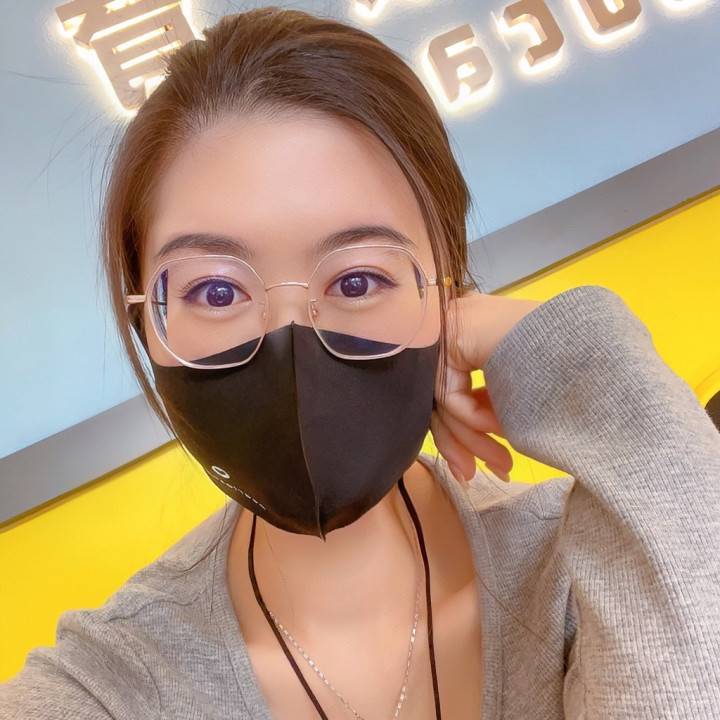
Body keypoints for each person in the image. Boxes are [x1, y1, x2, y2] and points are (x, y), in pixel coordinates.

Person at [2, 7, 719, 719]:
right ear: (145, 323)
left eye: (357, 280)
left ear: (445, 290)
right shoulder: (109, 686)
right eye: (215, 291)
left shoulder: (591, 569)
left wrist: (583, 358)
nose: (291, 348)